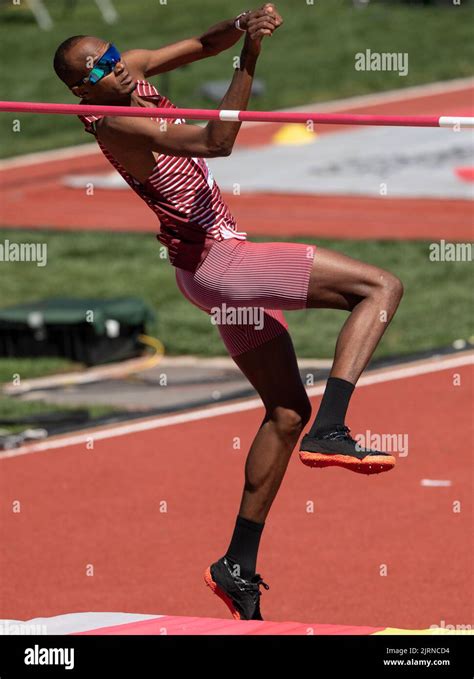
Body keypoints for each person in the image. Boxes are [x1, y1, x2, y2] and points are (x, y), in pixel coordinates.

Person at [53, 3, 403, 621]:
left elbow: (198, 44)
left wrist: (238, 28)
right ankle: (335, 428)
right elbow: (219, 142)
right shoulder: (113, 122)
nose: (117, 67)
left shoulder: (129, 72)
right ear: (84, 89)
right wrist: (253, 56)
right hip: (221, 262)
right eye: (100, 68)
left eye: (113, 54)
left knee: (285, 411)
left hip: (202, 271)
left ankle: (237, 563)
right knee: (379, 288)